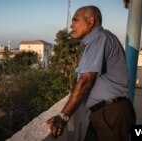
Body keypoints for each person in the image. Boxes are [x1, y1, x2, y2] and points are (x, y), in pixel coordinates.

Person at [44, 5, 136, 141]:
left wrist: (63, 116)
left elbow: (85, 81)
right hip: (105, 113)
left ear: (90, 21)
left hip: (111, 114)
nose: (71, 25)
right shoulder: (100, 39)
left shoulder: (100, 38)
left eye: (75, 20)